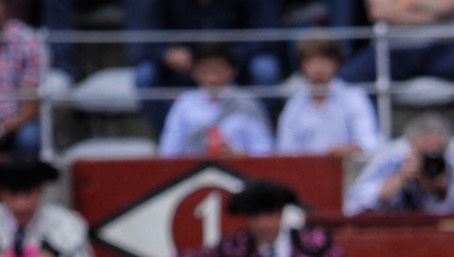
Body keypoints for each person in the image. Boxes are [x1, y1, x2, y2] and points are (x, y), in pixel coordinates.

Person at [339, 0, 454, 145]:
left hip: (451, 44)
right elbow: (380, 11)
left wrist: (404, 4)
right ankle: (374, 144)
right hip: (395, 48)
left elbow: (451, 4)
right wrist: (431, 13)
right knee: (350, 78)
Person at [123, 0, 283, 137]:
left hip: (237, 67)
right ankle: (164, 138)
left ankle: (261, 132)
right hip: (182, 70)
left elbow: (264, 37)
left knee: (265, 68)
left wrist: (228, 58)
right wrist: (167, 54)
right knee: (145, 74)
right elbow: (144, 43)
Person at [166, 178, 351, 257]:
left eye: (269, 213)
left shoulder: (313, 242)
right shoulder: (234, 248)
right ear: (246, 218)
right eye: (255, 215)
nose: (263, 223)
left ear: (281, 214)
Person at [343, 111, 454, 214]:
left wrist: (444, 191)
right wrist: (399, 179)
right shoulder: (391, 161)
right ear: (410, 147)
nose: (429, 160)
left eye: (435, 153)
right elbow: (352, 206)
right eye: (422, 154)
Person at [158, 42, 274, 158]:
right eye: (206, 71)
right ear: (194, 72)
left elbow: (264, 151)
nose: (212, 78)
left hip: (241, 172)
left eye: (217, 70)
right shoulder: (184, 103)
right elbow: (169, 151)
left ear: (231, 71)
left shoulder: (247, 102)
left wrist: (237, 155)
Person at [276, 35, 381, 158]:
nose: (318, 68)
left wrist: (351, 150)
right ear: (302, 65)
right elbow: (284, 153)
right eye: (311, 60)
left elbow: (370, 145)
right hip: (304, 174)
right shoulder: (294, 105)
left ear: (336, 62)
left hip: (350, 172)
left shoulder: (355, 98)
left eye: (325, 60)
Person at [0, 157, 99, 257]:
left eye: (28, 194)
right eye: (13, 195)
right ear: (2, 194)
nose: (21, 205)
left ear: (40, 192)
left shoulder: (66, 223)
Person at [0, 0, 44, 156]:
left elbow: (31, 105)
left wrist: (4, 128)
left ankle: (22, 179)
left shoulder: (27, 40)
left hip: (18, 121)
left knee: (29, 139)